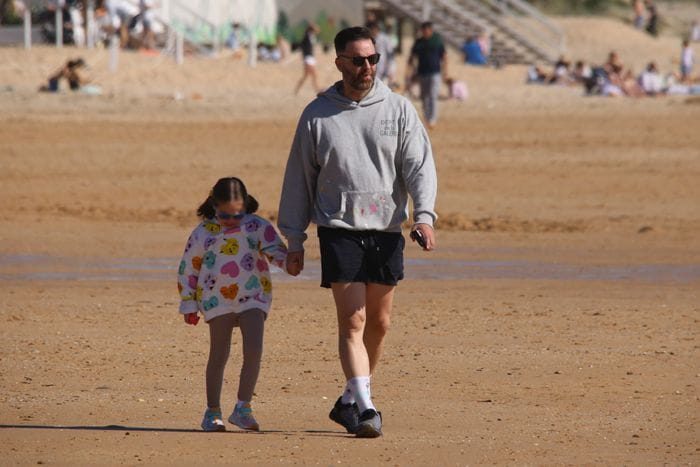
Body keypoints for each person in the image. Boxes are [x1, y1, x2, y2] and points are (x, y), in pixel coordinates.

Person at [278, 26, 438, 438]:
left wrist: (424, 216)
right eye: (357, 60)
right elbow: (299, 179)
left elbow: (418, 167)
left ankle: (349, 398)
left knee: (379, 324)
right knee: (353, 320)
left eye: (372, 59)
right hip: (339, 228)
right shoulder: (317, 113)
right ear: (339, 63)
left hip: (386, 228)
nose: (366, 67)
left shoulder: (398, 109)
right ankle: (367, 409)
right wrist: (294, 240)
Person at [177, 177, 288, 432]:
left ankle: (243, 408)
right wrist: (188, 304)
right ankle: (212, 411)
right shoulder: (203, 232)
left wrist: (289, 262)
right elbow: (188, 269)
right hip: (217, 299)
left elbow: (275, 251)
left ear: (246, 206)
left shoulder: (258, 226)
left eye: (238, 214)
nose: (232, 220)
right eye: (225, 214)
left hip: (253, 297)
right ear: (214, 206)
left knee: (254, 350)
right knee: (219, 354)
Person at [407, 22, 447, 129]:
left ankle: (432, 119)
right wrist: (411, 71)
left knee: (433, 95)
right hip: (422, 73)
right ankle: (426, 118)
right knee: (424, 97)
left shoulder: (437, 41)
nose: (425, 32)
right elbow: (412, 57)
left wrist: (445, 71)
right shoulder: (419, 42)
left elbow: (444, 56)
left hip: (435, 72)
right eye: (424, 30)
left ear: (431, 30)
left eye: (427, 29)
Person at [294, 23, 322, 95]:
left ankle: (297, 89)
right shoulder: (306, 36)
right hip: (308, 58)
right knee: (314, 75)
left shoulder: (311, 36)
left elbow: (318, 30)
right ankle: (317, 90)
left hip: (311, 58)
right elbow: (302, 46)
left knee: (306, 76)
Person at [368, 21, 395, 87]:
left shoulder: (385, 39)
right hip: (374, 68)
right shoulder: (370, 39)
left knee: (383, 89)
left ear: (376, 29)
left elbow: (391, 56)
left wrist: (391, 71)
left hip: (384, 69)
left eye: (372, 30)